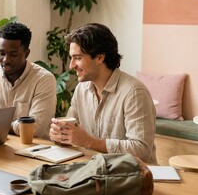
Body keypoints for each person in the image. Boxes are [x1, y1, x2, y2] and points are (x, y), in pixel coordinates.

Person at [49, 23, 157, 164]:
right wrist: (60, 136)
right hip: (94, 171)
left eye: (78, 58)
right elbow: (72, 132)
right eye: (71, 57)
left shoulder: (134, 93)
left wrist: (89, 142)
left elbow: (141, 150)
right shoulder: (81, 89)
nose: (71, 65)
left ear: (100, 58)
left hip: (134, 176)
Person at [0, 22, 57, 140]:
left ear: (26, 53)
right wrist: (14, 126)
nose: (6, 60)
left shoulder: (44, 80)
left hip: (35, 150)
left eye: (13, 54)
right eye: (2, 53)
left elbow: (34, 128)